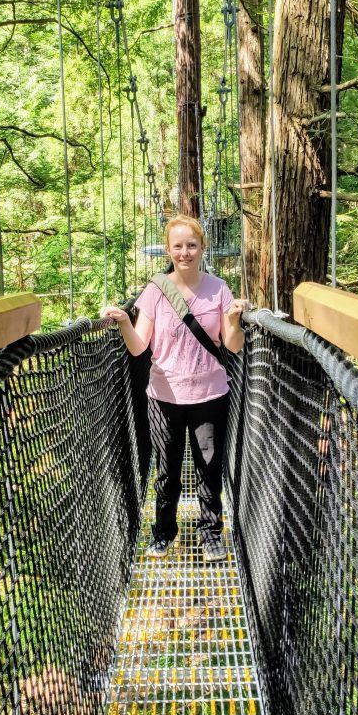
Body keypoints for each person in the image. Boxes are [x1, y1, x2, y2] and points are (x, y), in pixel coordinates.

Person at [100, 215, 248, 563]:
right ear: (168, 250)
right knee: (167, 470)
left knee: (209, 469)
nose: (185, 252)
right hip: (164, 397)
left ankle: (211, 535)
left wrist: (234, 320)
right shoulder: (154, 290)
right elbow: (139, 348)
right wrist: (124, 322)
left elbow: (234, 345)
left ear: (203, 248)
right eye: (178, 246)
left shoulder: (219, 289)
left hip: (210, 395)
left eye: (192, 245)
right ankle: (164, 532)